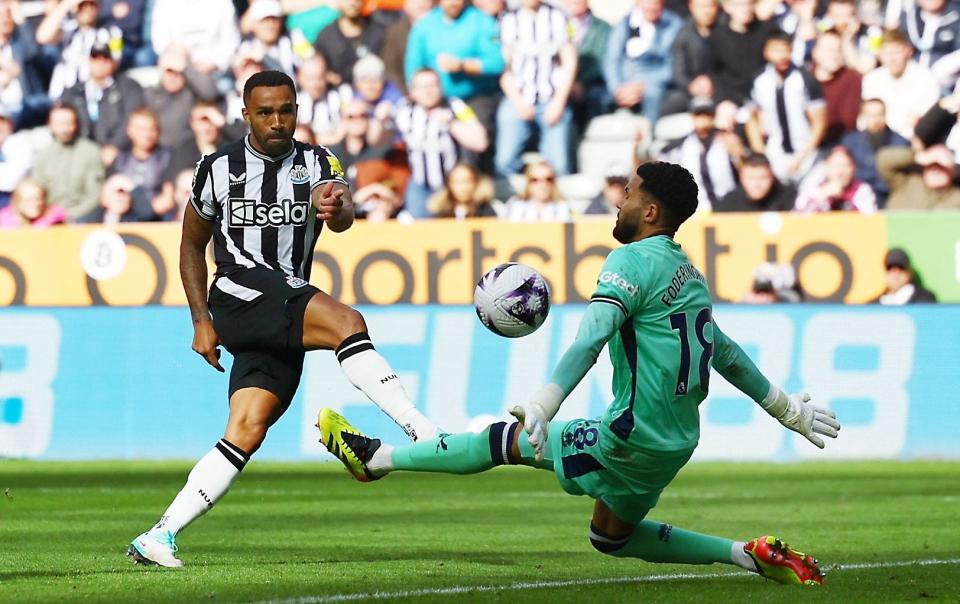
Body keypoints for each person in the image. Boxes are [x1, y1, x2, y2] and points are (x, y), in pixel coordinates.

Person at [318, 160, 839, 588]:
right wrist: (784, 408)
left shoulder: (630, 262)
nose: (619, 201)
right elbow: (722, 351)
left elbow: (591, 339)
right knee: (611, 537)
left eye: (629, 194)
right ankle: (748, 555)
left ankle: (377, 459)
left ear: (650, 211)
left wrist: (546, 403)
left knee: (502, 441)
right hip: (675, 442)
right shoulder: (689, 274)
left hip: (628, 437)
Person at [126, 70, 439, 568]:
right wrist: (200, 320)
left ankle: (159, 534)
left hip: (283, 306)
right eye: (265, 112)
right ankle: (424, 432)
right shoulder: (217, 167)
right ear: (245, 113)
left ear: (298, 110)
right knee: (346, 321)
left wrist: (334, 207)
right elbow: (190, 244)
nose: (277, 120)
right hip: (237, 292)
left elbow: (342, 215)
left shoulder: (318, 161)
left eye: (286, 110)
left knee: (247, 428)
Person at [495, 0, 578, 177]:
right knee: (504, 162)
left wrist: (559, 102)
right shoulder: (507, 19)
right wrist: (518, 102)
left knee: (560, 165)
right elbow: (503, 67)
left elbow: (569, 62)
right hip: (517, 97)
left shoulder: (558, 16)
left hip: (552, 97)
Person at [394, 68, 488, 218]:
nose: (428, 91)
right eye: (423, 87)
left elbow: (481, 142)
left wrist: (452, 123)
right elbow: (381, 140)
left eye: (433, 85)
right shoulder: (404, 109)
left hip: (450, 188)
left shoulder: (456, 106)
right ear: (413, 91)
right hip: (419, 185)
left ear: (441, 87)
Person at [404, 0, 504, 133]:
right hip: (437, 101)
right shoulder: (424, 25)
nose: (453, 3)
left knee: (473, 136)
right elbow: (413, 66)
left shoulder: (481, 21)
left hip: (473, 99)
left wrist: (464, 66)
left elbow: (497, 63)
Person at [745, 29, 826, 182]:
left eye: (786, 49)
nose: (782, 56)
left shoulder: (806, 80)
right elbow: (752, 118)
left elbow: (819, 123)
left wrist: (803, 156)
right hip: (774, 155)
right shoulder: (758, 80)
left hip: (806, 154)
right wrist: (761, 152)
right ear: (766, 52)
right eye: (776, 50)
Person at [60, 39, 145, 165]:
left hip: (119, 154)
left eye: (105, 58)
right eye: (95, 58)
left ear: (112, 62)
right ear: (89, 61)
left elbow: (131, 118)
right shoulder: (73, 92)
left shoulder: (128, 87)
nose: (100, 62)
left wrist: (115, 146)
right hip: (80, 153)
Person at [604, 0, 684, 124]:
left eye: (655, 3)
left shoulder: (674, 25)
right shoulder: (625, 23)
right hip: (625, 83)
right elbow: (612, 60)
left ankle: (648, 136)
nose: (651, 7)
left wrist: (644, 84)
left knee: (653, 94)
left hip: (654, 83)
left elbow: (673, 65)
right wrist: (617, 89)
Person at [659, 97, 740, 210]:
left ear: (714, 117)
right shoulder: (680, 148)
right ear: (692, 117)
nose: (703, 119)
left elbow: (743, 171)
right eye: (699, 115)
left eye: (707, 115)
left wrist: (738, 154)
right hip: (697, 211)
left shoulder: (727, 141)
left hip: (728, 207)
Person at [37, 0, 125, 99]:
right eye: (82, 5)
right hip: (62, 93)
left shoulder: (112, 33)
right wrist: (65, 5)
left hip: (93, 96)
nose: (87, 9)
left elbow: (115, 63)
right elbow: (42, 37)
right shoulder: (68, 29)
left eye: (92, 5)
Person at [861, 29, 940, 140]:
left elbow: (925, 121)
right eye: (887, 53)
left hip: (912, 140)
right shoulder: (871, 79)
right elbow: (866, 118)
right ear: (880, 54)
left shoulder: (926, 79)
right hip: (878, 138)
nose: (892, 58)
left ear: (908, 51)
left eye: (896, 52)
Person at [31, 103, 104, 221]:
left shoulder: (91, 152)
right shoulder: (42, 156)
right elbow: (38, 192)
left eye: (68, 123)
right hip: (49, 218)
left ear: (76, 124)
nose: (64, 129)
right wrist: (50, 216)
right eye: (59, 124)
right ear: (50, 125)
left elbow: (95, 195)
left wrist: (69, 215)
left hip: (83, 218)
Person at [145, 45, 220, 149]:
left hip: (189, 150)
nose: (172, 77)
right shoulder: (152, 94)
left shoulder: (192, 92)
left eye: (177, 72)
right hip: (159, 151)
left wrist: (186, 68)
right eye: (168, 71)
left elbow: (211, 93)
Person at [839, 98, 909, 207]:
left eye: (879, 114)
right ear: (863, 116)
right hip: (858, 198)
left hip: (891, 196)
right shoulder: (851, 142)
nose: (876, 119)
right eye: (871, 115)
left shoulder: (900, 143)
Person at [108, 108, 173, 221]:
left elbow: (168, 200)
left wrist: (146, 208)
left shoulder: (167, 158)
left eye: (151, 129)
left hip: (156, 219)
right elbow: (107, 196)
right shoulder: (120, 160)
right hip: (124, 218)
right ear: (129, 130)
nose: (147, 134)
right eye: (141, 129)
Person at [661, 0, 719, 117]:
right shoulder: (683, 34)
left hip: (720, 89)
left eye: (710, 6)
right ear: (692, 7)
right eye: (702, 7)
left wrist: (713, 83)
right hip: (689, 91)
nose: (707, 11)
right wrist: (691, 86)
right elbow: (678, 72)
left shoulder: (725, 30)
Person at [150, 0, 240, 75]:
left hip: (215, 72)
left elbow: (231, 42)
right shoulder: (163, 3)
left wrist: (216, 64)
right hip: (178, 70)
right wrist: (175, 54)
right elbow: (159, 41)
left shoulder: (223, 3)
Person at [314, 0, 386, 84]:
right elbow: (319, 69)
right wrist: (328, 76)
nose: (352, 3)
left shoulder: (379, 32)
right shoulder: (326, 37)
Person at [565, 0, 611, 128]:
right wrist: (569, 83)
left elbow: (602, 62)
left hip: (591, 85)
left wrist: (581, 83)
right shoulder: (553, 24)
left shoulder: (603, 28)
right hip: (561, 86)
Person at [812, 29, 862, 146]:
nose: (834, 55)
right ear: (815, 53)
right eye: (829, 50)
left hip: (841, 143)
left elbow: (849, 122)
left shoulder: (852, 78)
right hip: (807, 142)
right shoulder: (804, 79)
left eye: (838, 50)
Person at [795, 145, 877, 213]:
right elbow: (797, 219)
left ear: (853, 168)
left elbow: (870, 221)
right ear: (827, 167)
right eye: (836, 166)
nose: (840, 172)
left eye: (845, 166)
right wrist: (822, 196)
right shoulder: (813, 189)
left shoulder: (862, 190)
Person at [897, 0, 960, 88]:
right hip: (911, 80)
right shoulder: (910, 17)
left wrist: (940, 69)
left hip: (945, 84)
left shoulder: (956, 16)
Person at [877, 144, 960, 210]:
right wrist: (916, 156)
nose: (935, 170)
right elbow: (883, 161)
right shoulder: (906, 182)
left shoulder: (956, 197)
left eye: (941, 167)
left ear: (952, 171)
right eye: (930, 165)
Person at [296, 55, 353, 145]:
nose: (316, 84)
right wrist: (334, 138)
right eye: (310, 79)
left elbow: (349, 125)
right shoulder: (294, 102)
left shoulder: (340, 95)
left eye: (320, 78)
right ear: (299, 78)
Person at [381, 0, 434, 94]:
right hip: (406, 93)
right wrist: (407, 92)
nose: (421, 4)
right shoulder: (396, 31)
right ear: (406, 5)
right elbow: (391, 69)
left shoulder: (444, 28)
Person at [714, 153, 797, 211]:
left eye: (763, 178)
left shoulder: (789, 198)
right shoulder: (729, 203)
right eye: (751, 178)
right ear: (742, 178)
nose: (757, 184)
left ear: (772, 177)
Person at [237, 0, 299, 76]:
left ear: (281, 22)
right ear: (254, 24)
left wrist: (263, 57)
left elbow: (308, 66)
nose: (270, 25)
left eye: (274, 20)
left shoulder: (294, 39)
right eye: (264, 21)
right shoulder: (246, 47)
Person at [502, 160, 573, 222]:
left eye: (548, 179)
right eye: (535, 180)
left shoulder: (563, 208)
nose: (542, 185)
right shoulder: (515, 207)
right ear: (528, 183)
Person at [426, 162, 500, 218]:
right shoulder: (441, 212)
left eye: (467, 181)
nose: (463, 187)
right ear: (449, 184)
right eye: (458, 182)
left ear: (476, 183)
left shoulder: (486, 210)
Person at [872, 248, 938, 304]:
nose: (896, 275)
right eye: (890, 269)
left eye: (901, 268)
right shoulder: (874, 305)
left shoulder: (925, 300)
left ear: (909, 273)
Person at [0, 179, 66, 228]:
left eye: (38, 198)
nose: (35, 203)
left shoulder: (54, 218)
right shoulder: (4, 220)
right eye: (29, 200)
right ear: (17, 202)